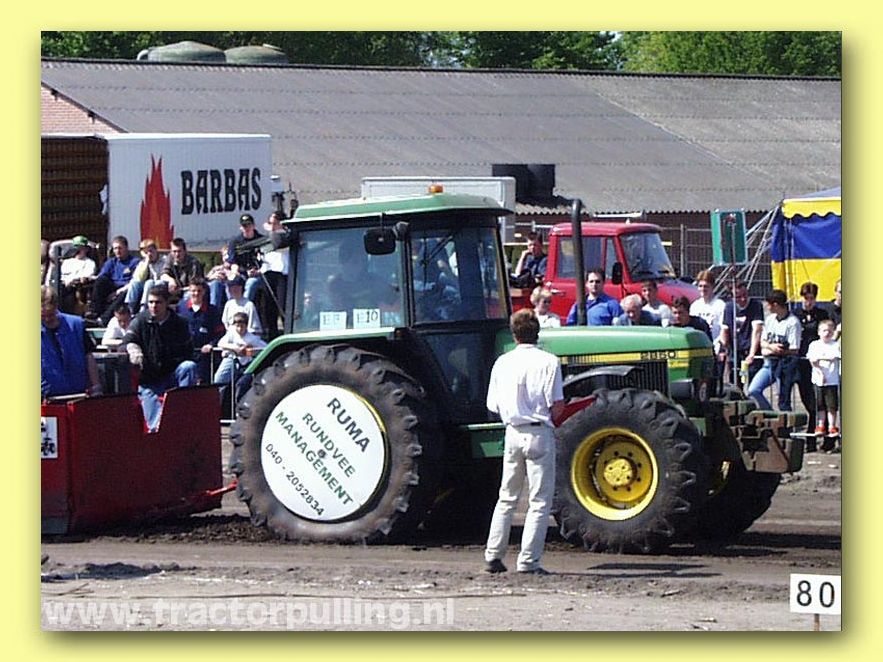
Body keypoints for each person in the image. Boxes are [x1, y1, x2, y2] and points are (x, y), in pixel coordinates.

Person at [484, 308, 564, 575]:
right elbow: (557, 405)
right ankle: (528, 561)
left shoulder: (502, 362)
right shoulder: (549, 361)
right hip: (539, 432)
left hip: (513, 431)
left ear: (514, 334)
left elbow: (493, 405)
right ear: (537, 332)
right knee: (539, 501)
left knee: (507, 497)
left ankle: (493, 555)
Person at [123, 285, 199, 432]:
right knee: (156, 425)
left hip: (172, 376)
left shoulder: (180, 323)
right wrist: (133, 349)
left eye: (158, 302)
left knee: (189, 366)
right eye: (150, 302)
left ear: (166, 303)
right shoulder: (140, 320)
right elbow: (127, 340)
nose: (154, 306)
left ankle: (182, 408)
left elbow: (189, 352)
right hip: (149, 380)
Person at [41, 285, 102, 399]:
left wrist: (96, 386)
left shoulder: (76, 324)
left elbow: (89, 356)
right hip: (46, 398)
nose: (47, 319)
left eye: (50, 315)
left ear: (56, 307)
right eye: (43, 316)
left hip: (78, 394)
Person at [747, 289, 802, 411]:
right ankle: (770, 414)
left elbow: (794, 349)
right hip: (769, 363)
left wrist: (775, 350)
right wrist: (771, 347)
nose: (767, 307)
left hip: (784, 364)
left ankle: (785, 419)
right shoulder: (770, 319)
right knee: (753, 390)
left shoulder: (793, 322)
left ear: (776, 305)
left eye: (769, 304)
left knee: (783, 399)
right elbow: (763, 342)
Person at [793, 282, 830, 433]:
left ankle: (815, 431)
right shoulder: (795, 314)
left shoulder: (821, 315)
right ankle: (813, 428)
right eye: (806, 298)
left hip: (817, 362)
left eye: (811, 298)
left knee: (818, 399)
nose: (808, 302)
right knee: (805, 397)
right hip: (801, 362)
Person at [213, 311, 267, 409]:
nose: (239, 329)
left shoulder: (252, 338)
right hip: (232, 361)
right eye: (237, 326)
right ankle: (217, 406)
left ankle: (239, 409)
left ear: (246, 326)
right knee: (218, 380)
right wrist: (234, 347)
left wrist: (252, 350)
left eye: (242, 326)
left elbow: (265, 347)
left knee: (241, 385)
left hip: (246, 365)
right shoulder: (231, 334)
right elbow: (220, 343)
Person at [178, 277, 225, 384]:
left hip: (204, 357)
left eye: (199, 291)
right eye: (193, 291)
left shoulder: (212, 310)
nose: (196, 293)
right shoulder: (181, 307)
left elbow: (220, 332)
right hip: (185, 354)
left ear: (204, 292)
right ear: (189, 291)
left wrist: (211, 344)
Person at [720, 281, 764, 389]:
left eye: (745, 295)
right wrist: (724, 348)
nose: (743, 299)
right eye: (738, 297)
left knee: (753, 386)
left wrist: (752, 354)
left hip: (750, 351)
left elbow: (757, 331)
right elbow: (725, 330)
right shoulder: (729, 307)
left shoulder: (756, 305)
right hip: (736, 353)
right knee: (736, 384)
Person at [87, 235, 140, 325]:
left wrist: (117, 292)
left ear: (126, 248)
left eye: (120, 248)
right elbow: (101, 276)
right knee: (100, 281)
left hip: (126, 289)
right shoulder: (111, 262)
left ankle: (103, 320)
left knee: (125, 292)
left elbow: (135, 281)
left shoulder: (135, 262)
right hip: (112, 287)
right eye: (115, 248)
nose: (117, 251)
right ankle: (94, 313)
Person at [806, 319, 841, 440]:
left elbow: (835, 356)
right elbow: (812, 360)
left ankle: (832, 426)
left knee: (832, 406)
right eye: (824, 330)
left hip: (832, 381)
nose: (827, 333)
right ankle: (821, 426)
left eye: (830, 331)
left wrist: (822, 358)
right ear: (819, 332)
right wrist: (820, 372)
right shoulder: (814, 345)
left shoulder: (835, 345)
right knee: (820, 405)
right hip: (818, 380)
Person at [258, 212, 290, 339]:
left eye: (275, 223)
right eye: (270, 223)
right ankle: (272, 334)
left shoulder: (284, 236)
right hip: (268, 272)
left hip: (281, 274)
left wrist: (272, 230)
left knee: (282, 305)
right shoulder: (266, 239)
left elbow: (278, 243)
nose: (272, 226)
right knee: (269, 308)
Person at [225, 213, 265, 303]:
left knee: (251, 283)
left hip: (259, 274)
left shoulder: (262, 240)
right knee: (231, 282)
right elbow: (233, 262)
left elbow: (268, 261)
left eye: (249, 225)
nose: (247, 228)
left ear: (254, 225)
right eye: (244, 226)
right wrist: (235, 272)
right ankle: (232, 306)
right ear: (241, 227)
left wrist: (258, 271)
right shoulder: (235, 241)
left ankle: (245, 306)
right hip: (242, 272)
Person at [126, 239, 167, 314]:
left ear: (156, 250)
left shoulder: (164, 260)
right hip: (146, 286)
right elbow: (139, 278)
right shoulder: (143, 263)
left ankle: (143, 308)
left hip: (160, 285)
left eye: (151, 251)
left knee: (149, 282)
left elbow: (164, 276)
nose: (149, 254)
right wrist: (147, 262)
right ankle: (130, 308)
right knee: (133, 283)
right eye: (146, 252)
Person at [160, 237, 204, 304]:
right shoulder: (170, 258)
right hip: (172, 290)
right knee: (159, 284)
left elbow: (195, 286)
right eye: (174, 251)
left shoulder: (193, 263)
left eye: (179, 251)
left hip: (187, 291)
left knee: (188, 296)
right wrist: (171, 280)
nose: (177, 254)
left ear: (185, 251)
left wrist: (180, 290)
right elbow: (163, 275)